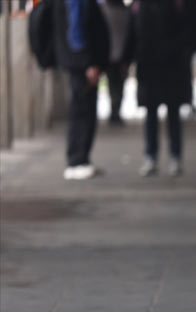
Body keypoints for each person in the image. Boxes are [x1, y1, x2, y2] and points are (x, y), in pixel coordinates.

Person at [133, 0, 196, 177]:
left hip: (173, 66)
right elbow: (134, 31)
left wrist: (183, 51)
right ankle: (152, 156)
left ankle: (174, 156)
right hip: (150, 65)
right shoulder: (142, 5)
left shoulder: (180, 4)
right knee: (151, 114)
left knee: (172, 113)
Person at [53, 0, 110, 180]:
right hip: (81, 65)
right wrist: (87, 63)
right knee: (81, 110)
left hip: (80, 63)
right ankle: (76, 160)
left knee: (85, 109)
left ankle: (81, 159)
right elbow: (76, 30)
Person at [98, 0, 135, 126]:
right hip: (119, 55)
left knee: (113, 85)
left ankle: (115, 111)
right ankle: (116, 111)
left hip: (111, 54)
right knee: (118, 86)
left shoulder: (104, 10)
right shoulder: (125, 12)